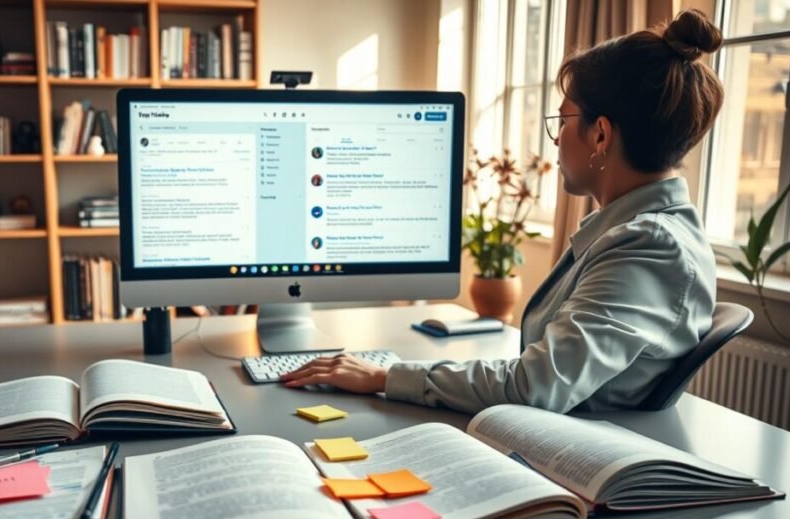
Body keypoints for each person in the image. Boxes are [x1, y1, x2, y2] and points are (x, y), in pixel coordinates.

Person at [281, 10, 724, 414]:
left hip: (573, 460)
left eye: (562, 121)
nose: (555, 140)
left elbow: (538, 385)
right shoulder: (638, 231)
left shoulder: (648, 246)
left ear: (601, 135)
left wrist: (383, 376)